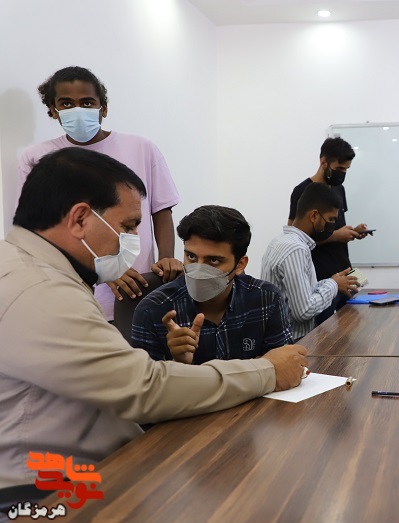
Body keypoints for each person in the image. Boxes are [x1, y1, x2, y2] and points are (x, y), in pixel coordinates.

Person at [0, 148, 307, 490]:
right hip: (48, 491)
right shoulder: (40, 289)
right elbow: (143, 387)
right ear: (80, 219)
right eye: (127, 226)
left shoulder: (34, 272)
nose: (133, 241)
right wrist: (267, 371)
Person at [17, 66, 183, 322]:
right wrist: (104, 271)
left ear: (103, 108)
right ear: (53, 110)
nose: (77, 110)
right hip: (72, 294)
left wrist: (166, 260)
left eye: (86, 102)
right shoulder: (37, 157)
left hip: (138, 289)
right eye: (66, 103)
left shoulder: (141, 148)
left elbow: (161, 210)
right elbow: (38, 231)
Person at [131, 206, 295, 364]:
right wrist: (178, 364)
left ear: (240, 265)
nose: (199, 270)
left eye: (214, 261)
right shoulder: (152, 311)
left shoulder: (266, 299)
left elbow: (285, 364)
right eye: (191, 257)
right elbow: (145, 382)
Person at [288, 137, 370, 324]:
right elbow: (295, 236)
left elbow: (335, 225)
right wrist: (336, 236)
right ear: (323, 161)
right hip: (320, 278)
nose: (342, 174)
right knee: (324, 332)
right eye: (339, 169)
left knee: (355, 325)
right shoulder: (302, 191)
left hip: (345, 269)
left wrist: (353, 231)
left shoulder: (339, 189)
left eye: (346, 170)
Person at [264, 183, 360, 340]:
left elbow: (302, 292)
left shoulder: (280, 241)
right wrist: (334, 285)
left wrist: (334, 281)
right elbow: (304, 311)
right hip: (294, 342)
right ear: (314, 216)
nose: (332, 226)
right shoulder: (296, 249)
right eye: (331, 219)